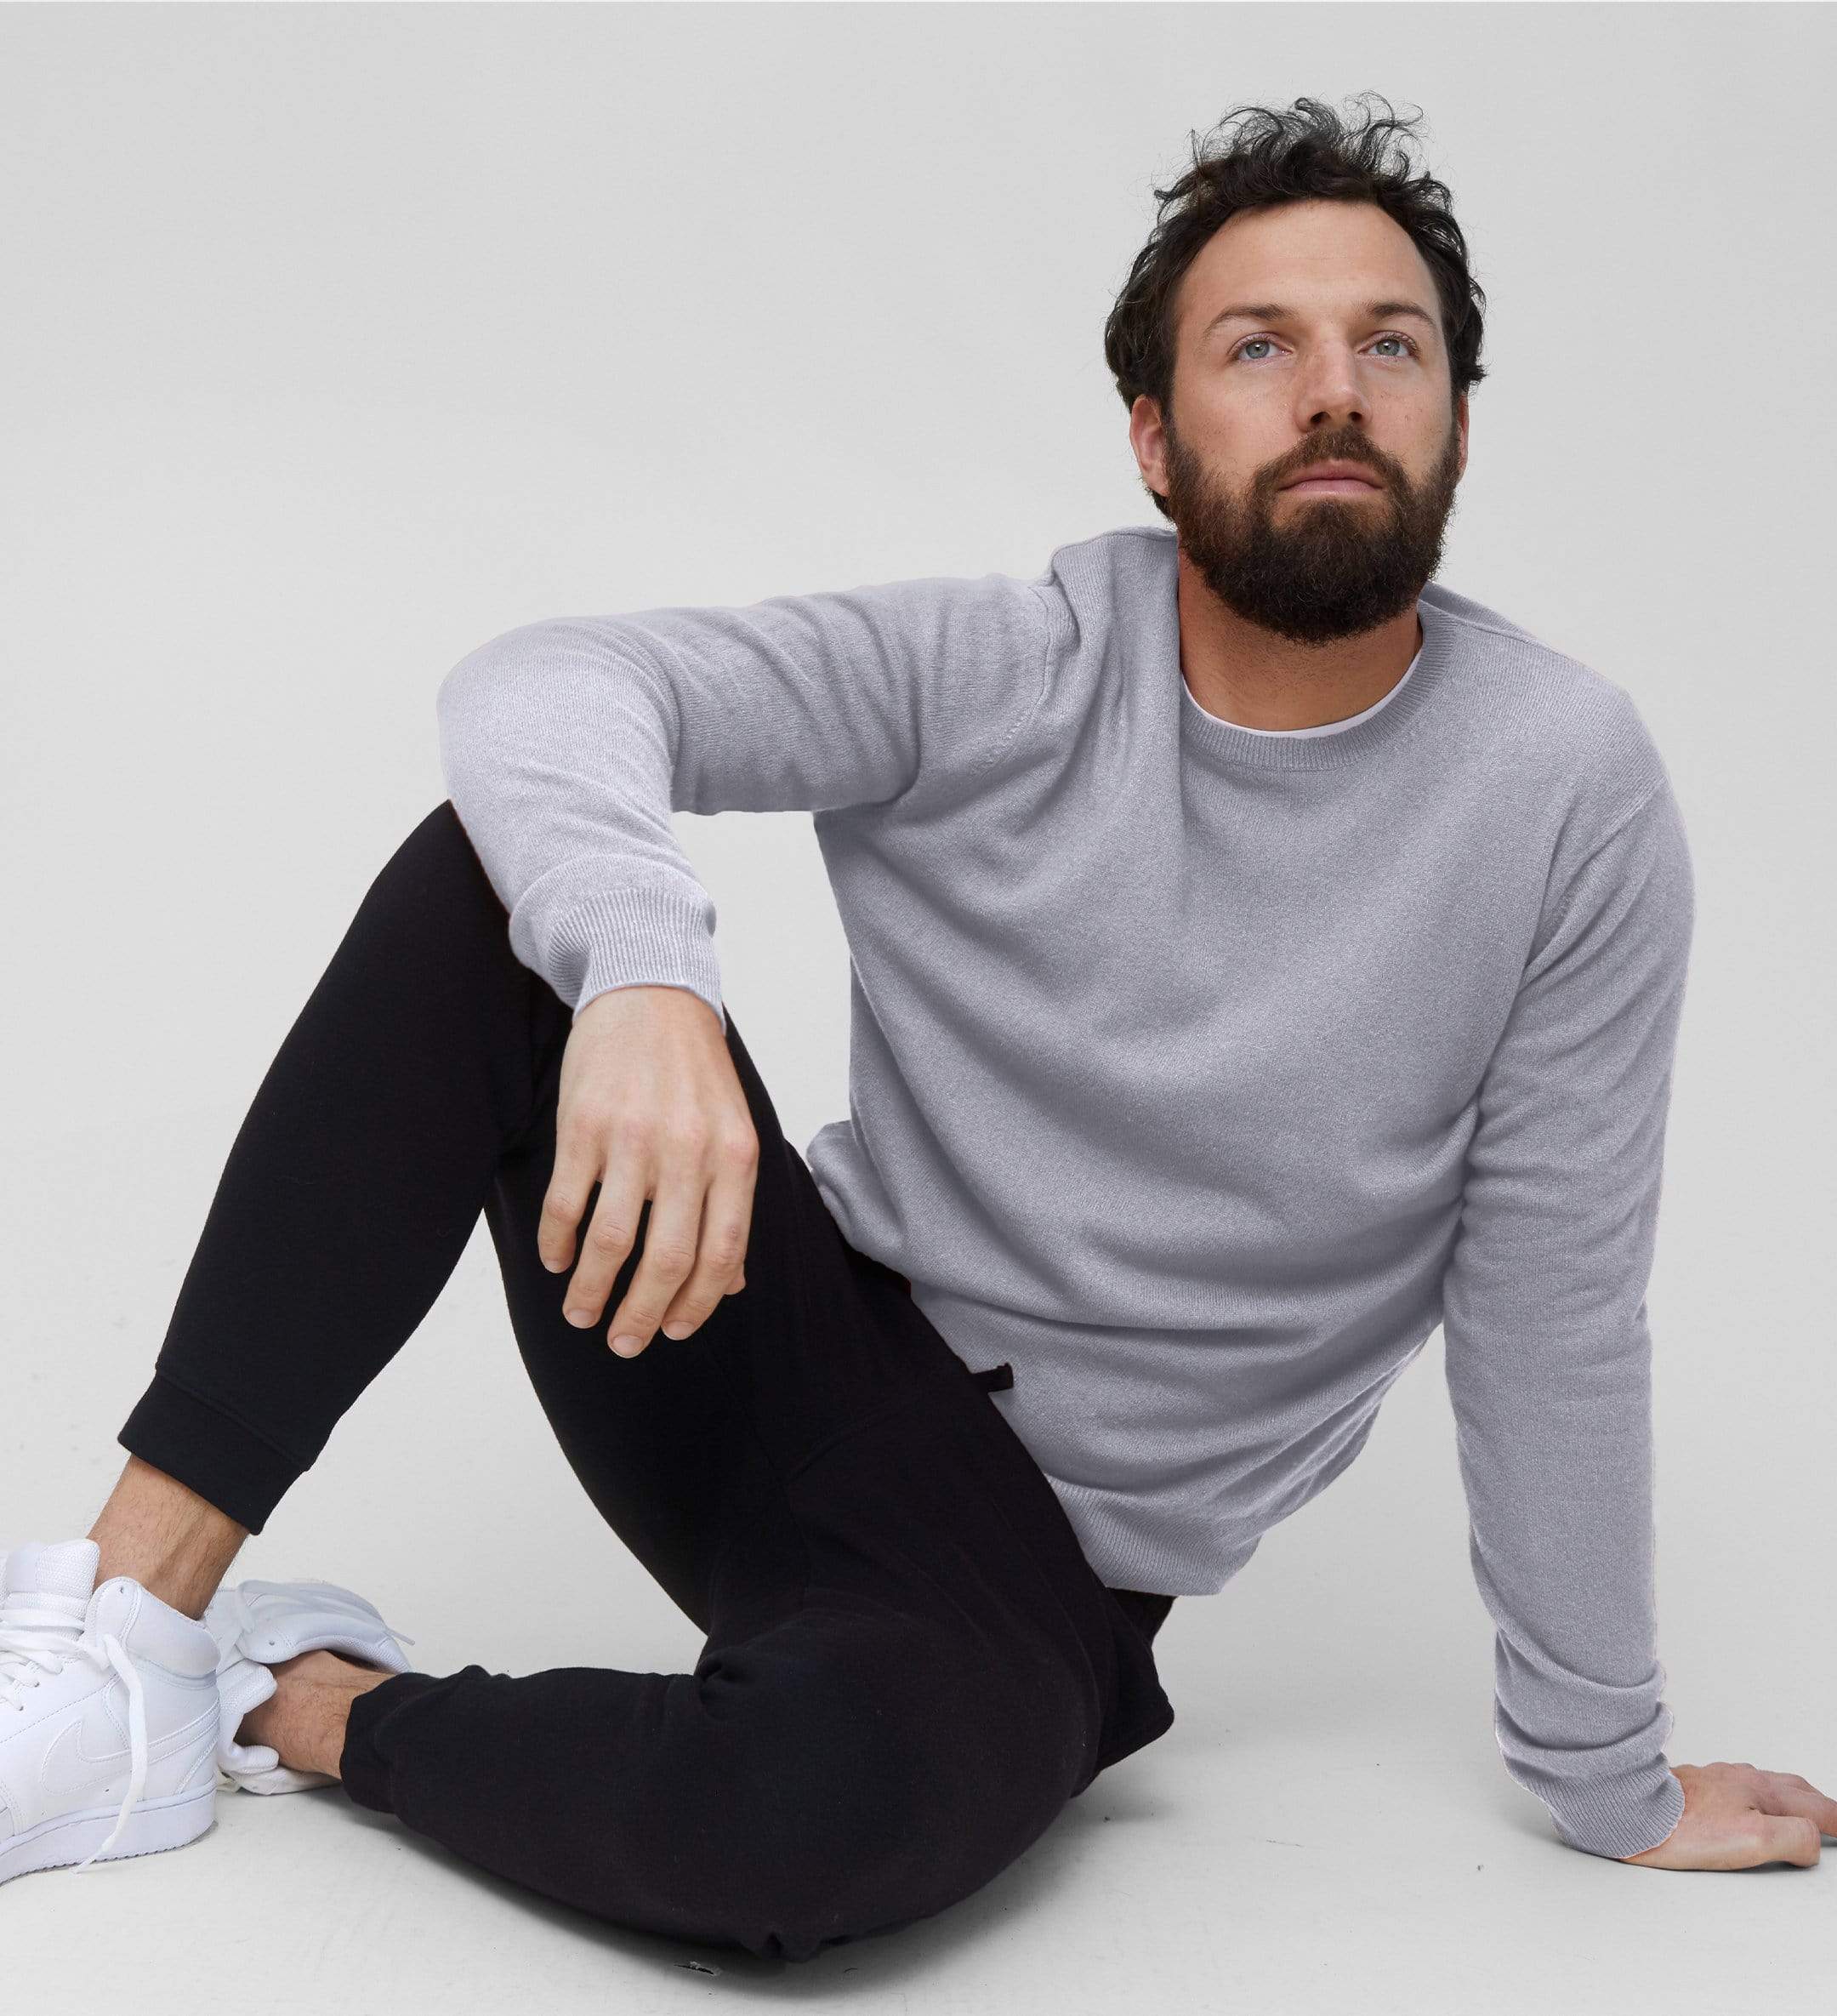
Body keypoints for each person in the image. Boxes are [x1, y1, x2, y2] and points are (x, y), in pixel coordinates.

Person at [6, 92, 1832, 1940]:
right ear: (1155, 437)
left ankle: (300, 1697)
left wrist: (1605, 1767)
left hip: (1032, 1575)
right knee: (493, 884)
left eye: (1392, 345)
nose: (1334, 392)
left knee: (805, 1824)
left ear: (1454, 423)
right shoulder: (1019, 666)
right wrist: (643, 969)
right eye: (1259, 346)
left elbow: (1552, 1308)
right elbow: (547, 686)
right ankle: (129, 1637)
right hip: (769, 1348)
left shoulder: (1561, 786)